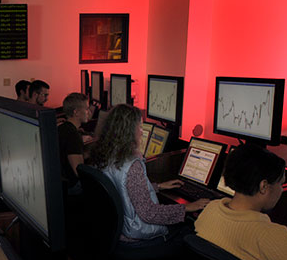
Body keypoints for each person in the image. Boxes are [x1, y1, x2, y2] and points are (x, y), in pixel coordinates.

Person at [88, 104, 208, 250]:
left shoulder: (105, 154)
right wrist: (187, 207)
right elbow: (149, 214)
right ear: (129, 132)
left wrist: (158, 186)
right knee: (190, 230)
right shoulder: (132, 164)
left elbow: (123, 189)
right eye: (140, 126)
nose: (142, 131)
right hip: (136, 236)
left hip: (116, 230)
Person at [57, 93, 91, 194]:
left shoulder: (63, 127)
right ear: (76, 112)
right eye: (86, 109)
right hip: (72, 187)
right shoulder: (73, 135)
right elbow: (78, 171)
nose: (89, 112)